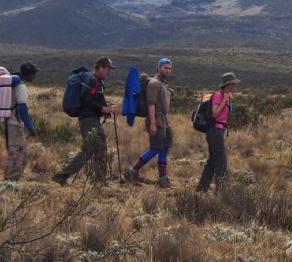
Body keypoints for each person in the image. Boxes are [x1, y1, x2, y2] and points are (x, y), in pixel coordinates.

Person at [53, 57, 118, 186]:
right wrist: (103, 109)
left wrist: (104, 110)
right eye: (107, 69)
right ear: (99, 67)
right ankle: (99, 181)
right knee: (97, 149)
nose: (109, 72)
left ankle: (63, 176)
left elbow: (91, 99)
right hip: (89, 120)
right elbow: (87, 100)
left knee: (90, 150)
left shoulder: (93, 80)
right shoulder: (93, 81)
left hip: (89, 119)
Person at [127, 58, 174, 188]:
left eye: (170, 68)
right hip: (156, 120)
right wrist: (153, 123)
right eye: (165, 68)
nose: (168, 70)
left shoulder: (163, 84)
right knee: (156, 148)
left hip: (164, 121)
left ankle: (163, 179)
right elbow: (150, 104)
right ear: (158, 68)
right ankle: (133, 170)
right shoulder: (154, 83)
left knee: (165, 147)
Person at [197, 72, 240, 193]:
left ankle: (201, 188)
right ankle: (222, 191)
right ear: (228, 85)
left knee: (212, 161)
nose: (235, 87)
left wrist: (228, 101)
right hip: (214, 130)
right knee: (221, 161)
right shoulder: (218, 95)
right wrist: (224, 101)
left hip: (218, 131)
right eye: (233, 84)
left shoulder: (227, 97)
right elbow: (215, 113)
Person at [4, 63, 39, 181]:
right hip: (14, 124)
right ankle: (9, 183)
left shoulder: (15, 86)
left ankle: (11, 181)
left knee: (20, 153)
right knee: (17, 154)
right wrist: (30, 127)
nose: (34, 76)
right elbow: (22, 109)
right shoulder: (21, 87)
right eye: (33, 74)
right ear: (28, 74)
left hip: (9, 123)